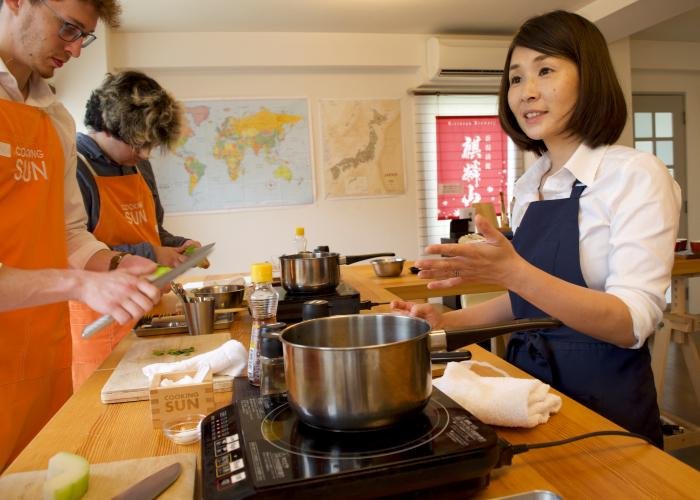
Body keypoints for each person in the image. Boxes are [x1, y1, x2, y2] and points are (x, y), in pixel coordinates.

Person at [392, 10, 681, 448]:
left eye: (545, 70)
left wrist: (513, 270)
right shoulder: (532, 184)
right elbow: (527, 298)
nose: (526, 92)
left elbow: (632, 322)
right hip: (528, 393)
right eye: (515, 79)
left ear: (591, 79)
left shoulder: (635, 174)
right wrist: (448, 322)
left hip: (606, 400)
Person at [0, 0, 161, 469]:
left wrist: (113, 264)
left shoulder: (55, 117)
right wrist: (79, 284)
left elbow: (70, 232)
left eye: (83, 36)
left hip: (41, 356)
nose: (74, 48)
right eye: (67, 28)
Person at [70, 70, 202, 389]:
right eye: (139, 144)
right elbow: (75, 251)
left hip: (148, 312)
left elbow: (151, 230)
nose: (144, 155)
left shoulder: (139, 164)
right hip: (99, 323)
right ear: (110, 127)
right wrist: (150, 253)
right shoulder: (73, 166)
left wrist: (179, 245)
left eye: (150, 146)